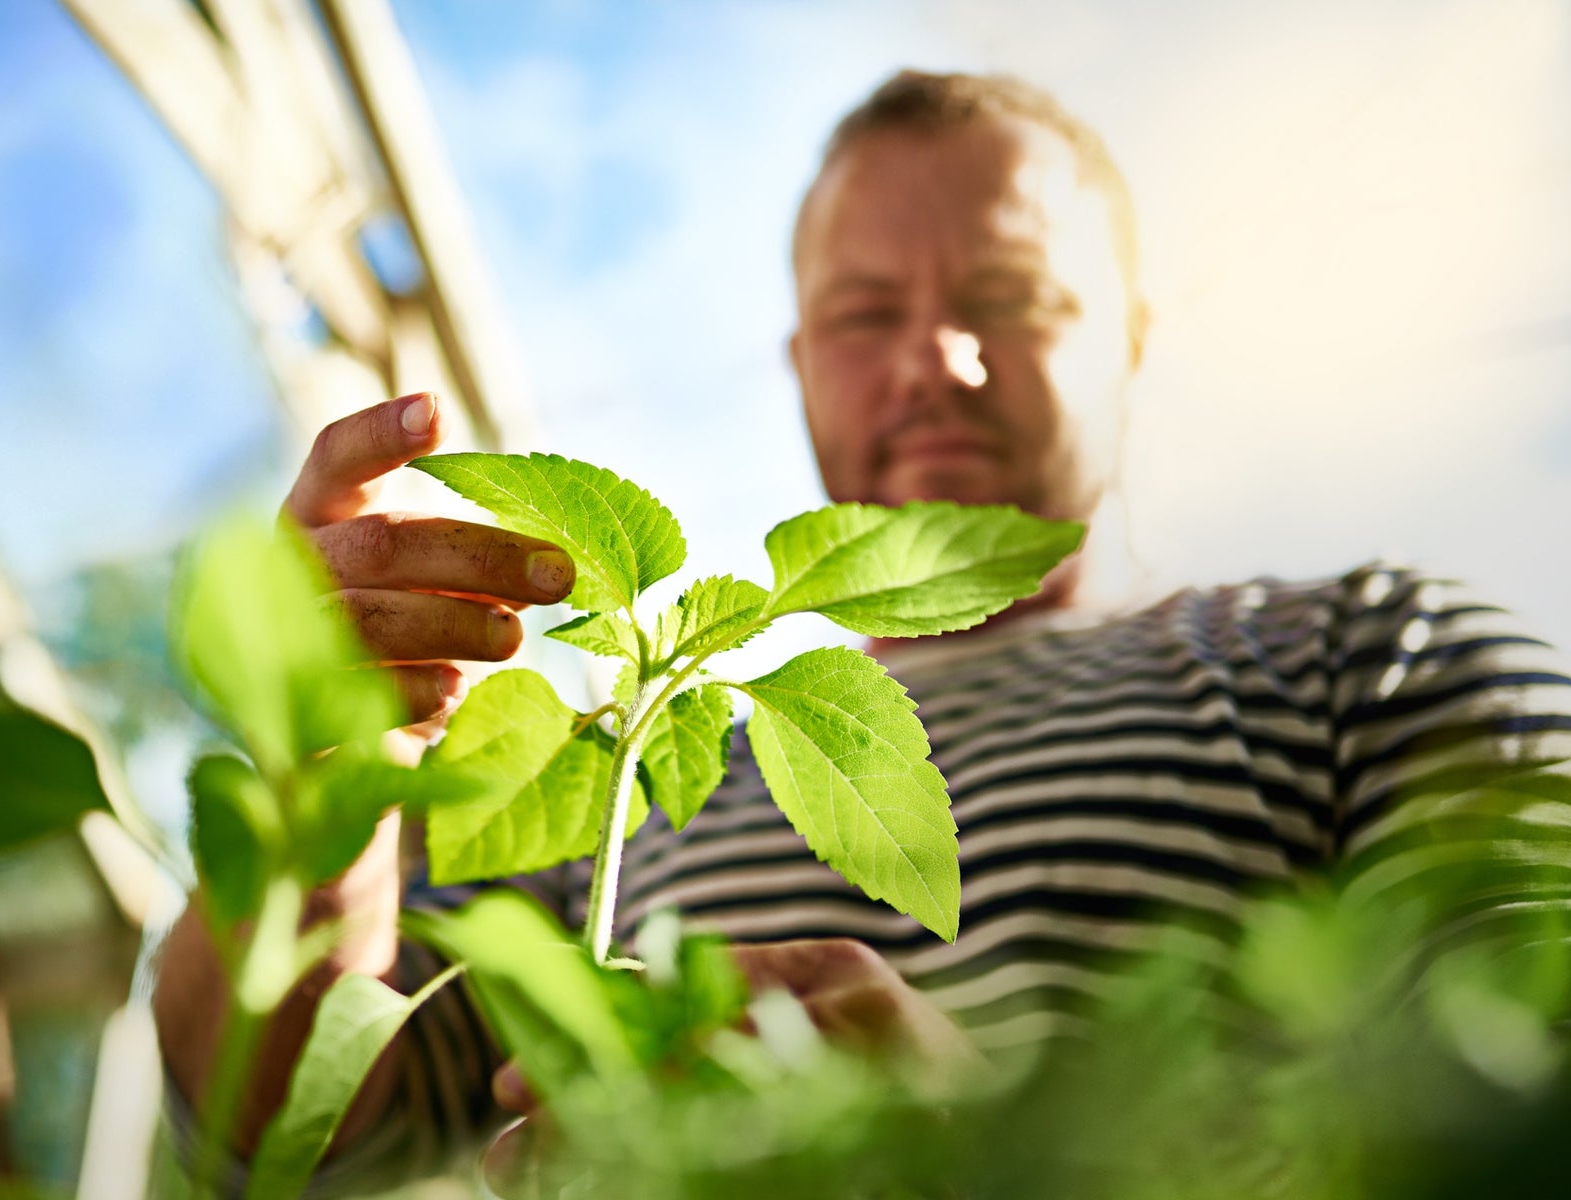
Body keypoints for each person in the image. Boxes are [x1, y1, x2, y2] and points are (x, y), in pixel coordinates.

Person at [155, 69, 1571, 1179]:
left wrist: (992, 1167)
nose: (934, 362)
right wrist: (332, 770)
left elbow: (1522, 1114)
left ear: (1129, 335)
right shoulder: (614, 770)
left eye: (1012, 297)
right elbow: (285, 1135)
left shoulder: (1367, 654)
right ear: (795, 361)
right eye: (864, 311)